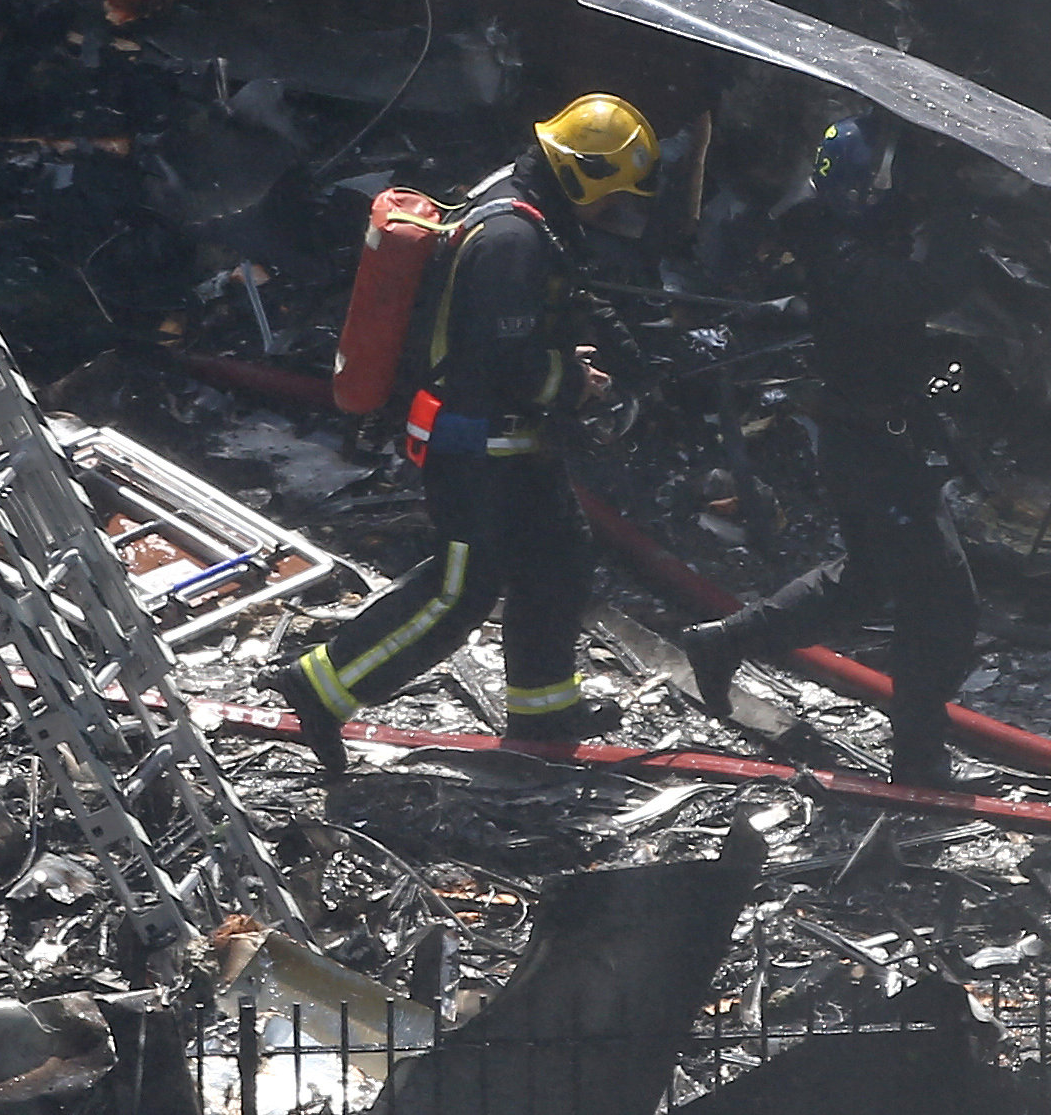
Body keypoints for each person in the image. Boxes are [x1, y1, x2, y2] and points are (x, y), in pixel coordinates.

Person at [270, 94, 661, 771]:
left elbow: (569, 298)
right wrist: (573, 383)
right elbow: (498, 361)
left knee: (558, 562)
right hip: (474, 444)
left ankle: (543, 712)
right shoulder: (511, 238)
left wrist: (638, 362)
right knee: (461, 591)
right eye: (611, 195)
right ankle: (323, 685)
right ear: (582, 173)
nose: (612, 212)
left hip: (512, 442)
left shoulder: (532, 210)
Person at [678, 109, 982, 788]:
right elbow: (927, 288)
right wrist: (961, 214)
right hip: (872, 450)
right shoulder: (846, 258)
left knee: (870, 578)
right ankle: (919, 757)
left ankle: (724, 641)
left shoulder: (837, 235)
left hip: (870, 443)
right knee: (942, 602)